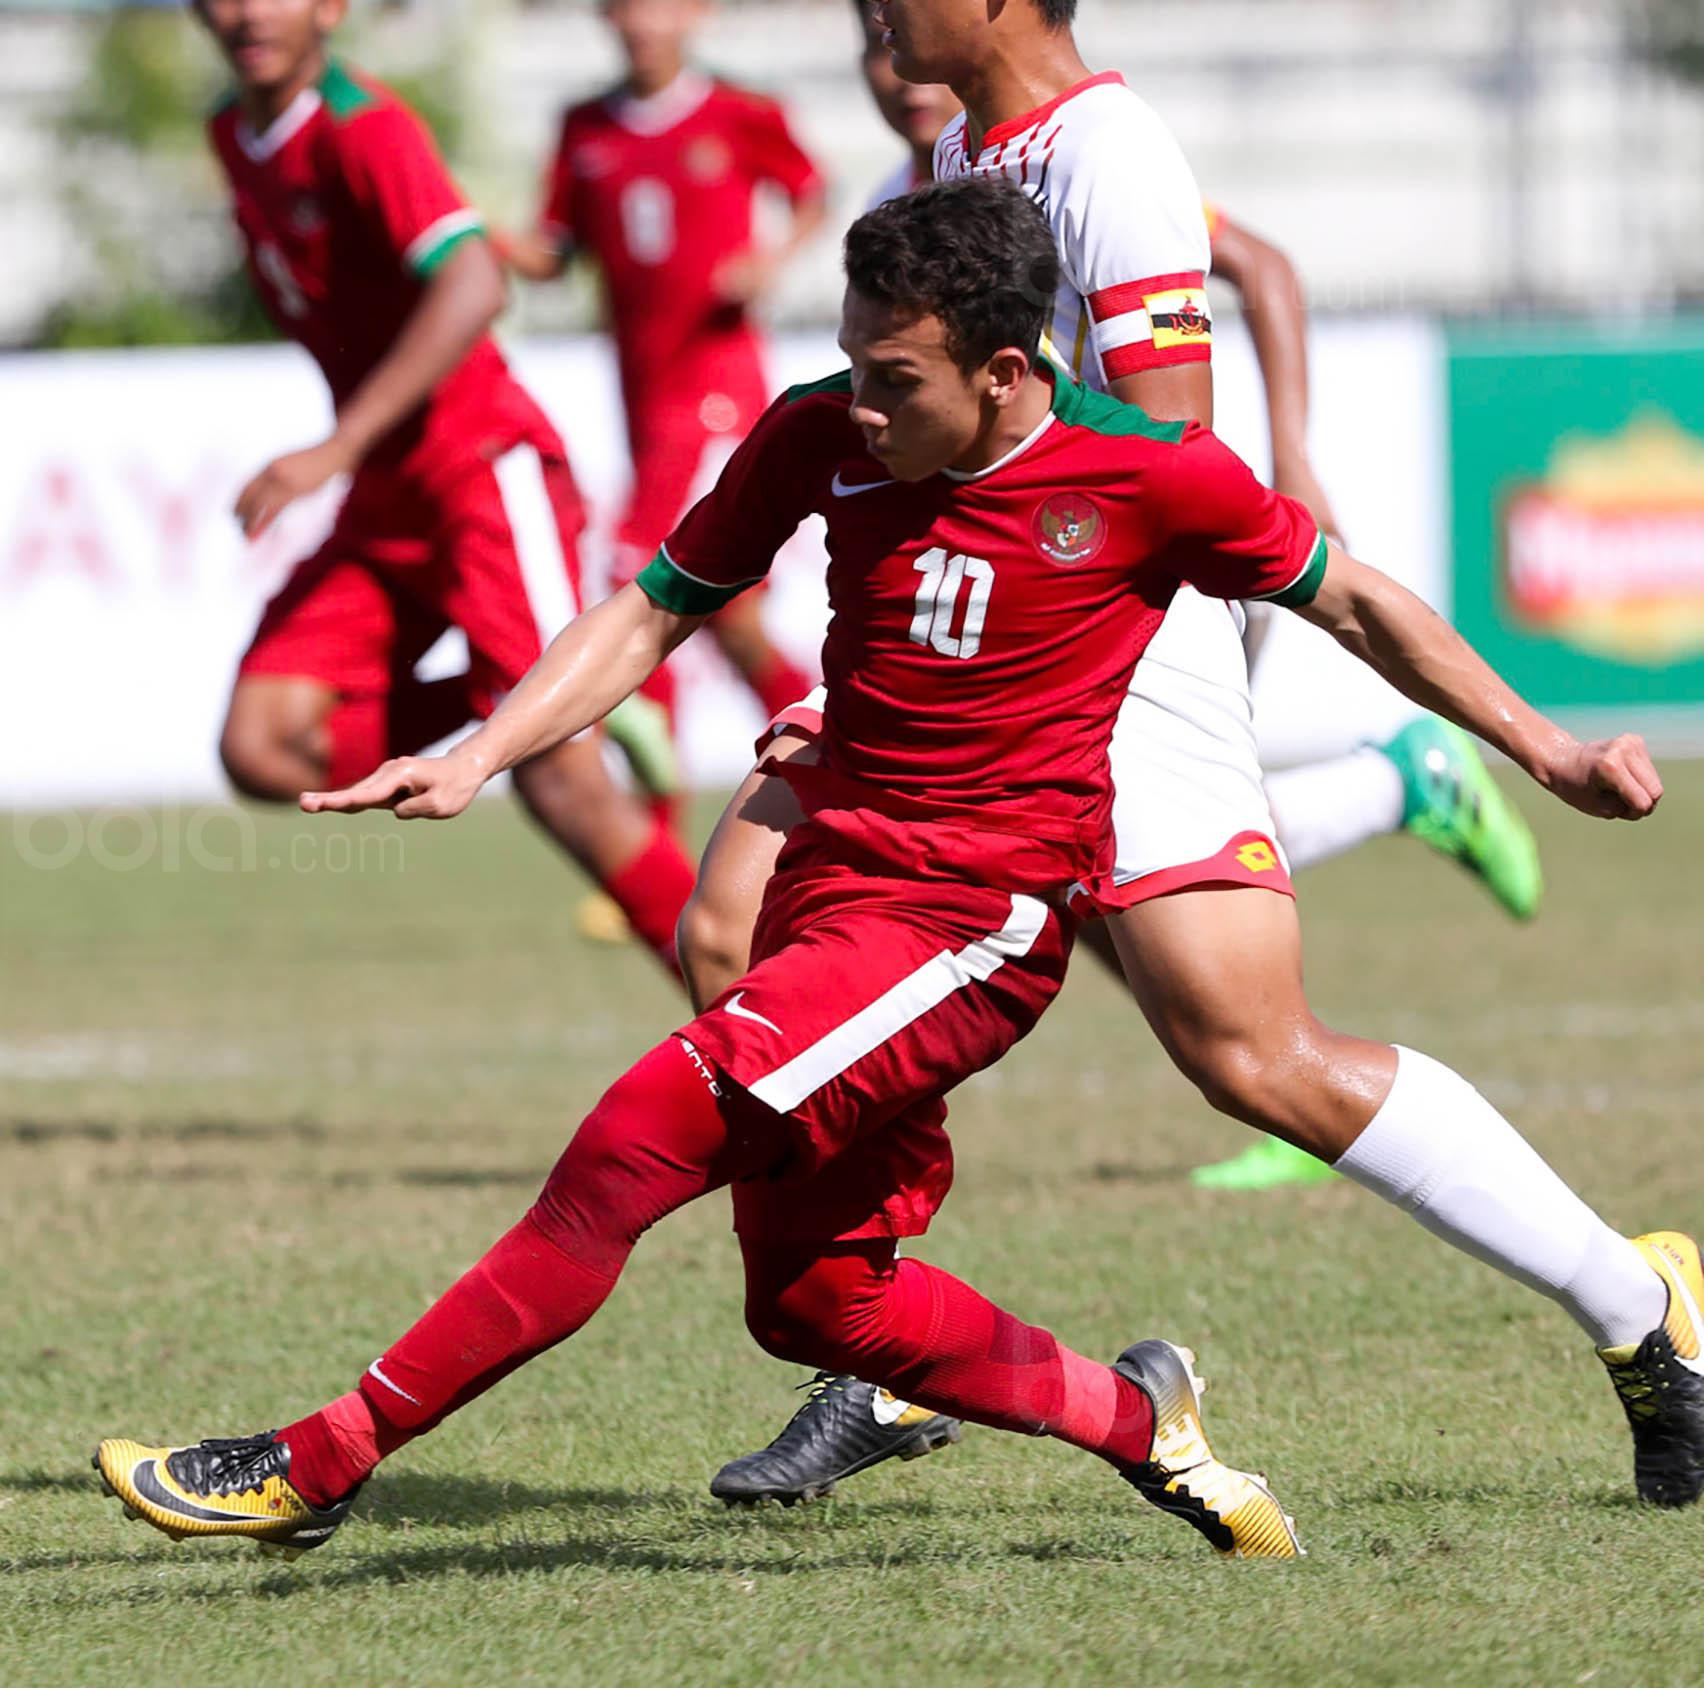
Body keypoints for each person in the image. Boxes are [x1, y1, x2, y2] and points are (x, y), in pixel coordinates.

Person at [92, 180, 1664, 1564]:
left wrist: (1554, 751)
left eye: (893, 379)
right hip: (835, 889)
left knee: (635, 1142)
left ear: (1003, 372)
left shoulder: (1152, 475)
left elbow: (1363, 607)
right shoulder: (816, 433)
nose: (859, 403)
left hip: (977, 923)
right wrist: (481, 748)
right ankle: (1146, 1422)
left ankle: (317, 1463)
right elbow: (650, 612)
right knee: (819, 1306)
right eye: (850, 361)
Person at [698, 0, 1698, 1510]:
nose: (879, 6)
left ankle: (1641, 1311)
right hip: (973, 657)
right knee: (758, 926)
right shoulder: (971, 152)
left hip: (1106, 660)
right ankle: (876, 1354)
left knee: (1254, 1058)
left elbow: (1157, 456)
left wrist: (971, 653)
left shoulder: (1113, 154)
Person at [197, 0, 698, 972]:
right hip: (388, 496)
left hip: (478, 471)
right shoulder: (234, 131)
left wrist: (336, 445)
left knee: (563, 790)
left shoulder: (366, 128)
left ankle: (768, 1027)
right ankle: (539, 691)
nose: (250, 11)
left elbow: (475, 281)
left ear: (331, 8)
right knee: (261, 744)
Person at [492, 0, 830, 809]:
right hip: (642, 401)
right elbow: (552, 253)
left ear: (696, 13)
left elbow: (811, 194)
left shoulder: (743, 114)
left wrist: (769, 258)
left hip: (719, 393)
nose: (642, 21)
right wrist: (469, 232)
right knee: (732, 622)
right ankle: (839, 752)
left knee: (637, 577)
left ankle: (655, 827)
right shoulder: (585, 128)